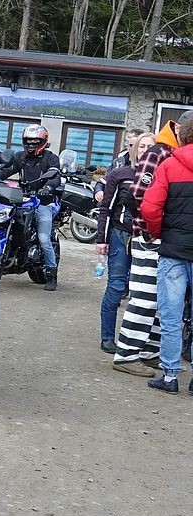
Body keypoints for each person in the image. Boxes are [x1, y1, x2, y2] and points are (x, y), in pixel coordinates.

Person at [112, 118, 189, 375]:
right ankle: (126, 355)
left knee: (160, 299)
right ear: (177, 129)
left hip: (162, 239)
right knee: (144, 298)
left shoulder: (172, 152)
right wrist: (150, 232)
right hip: (149, 239)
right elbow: (138, 194)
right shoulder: (159, 152)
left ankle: (149, 352)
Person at [138, 117, 193, 393]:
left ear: (183, 135)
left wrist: (159, 232)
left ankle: (170, 376)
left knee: (171, 316)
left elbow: (149, 208)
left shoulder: (169, 165)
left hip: (173, 250)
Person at [96, 132, 153, 354]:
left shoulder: (161, 176)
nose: (145, 150)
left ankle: (139, 342)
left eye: (150, 146)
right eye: (142, 146)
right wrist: (101, 239)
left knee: (143, 293)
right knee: (116, 285)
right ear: (134, 149)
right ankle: (107, 338)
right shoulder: (119, 174)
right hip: (120, 236)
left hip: (146, 239)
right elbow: (106, 209)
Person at [0, 124, 62, 290]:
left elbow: (55, 176)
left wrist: (48, 187)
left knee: (43, 238)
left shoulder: (50, 158)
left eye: (35, 141)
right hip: (22, 198)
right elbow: (4, 171)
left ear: (43, 141)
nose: (31, 144)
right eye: (28, 141)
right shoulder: (20, 157)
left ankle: (51, 274)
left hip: (42, 200)